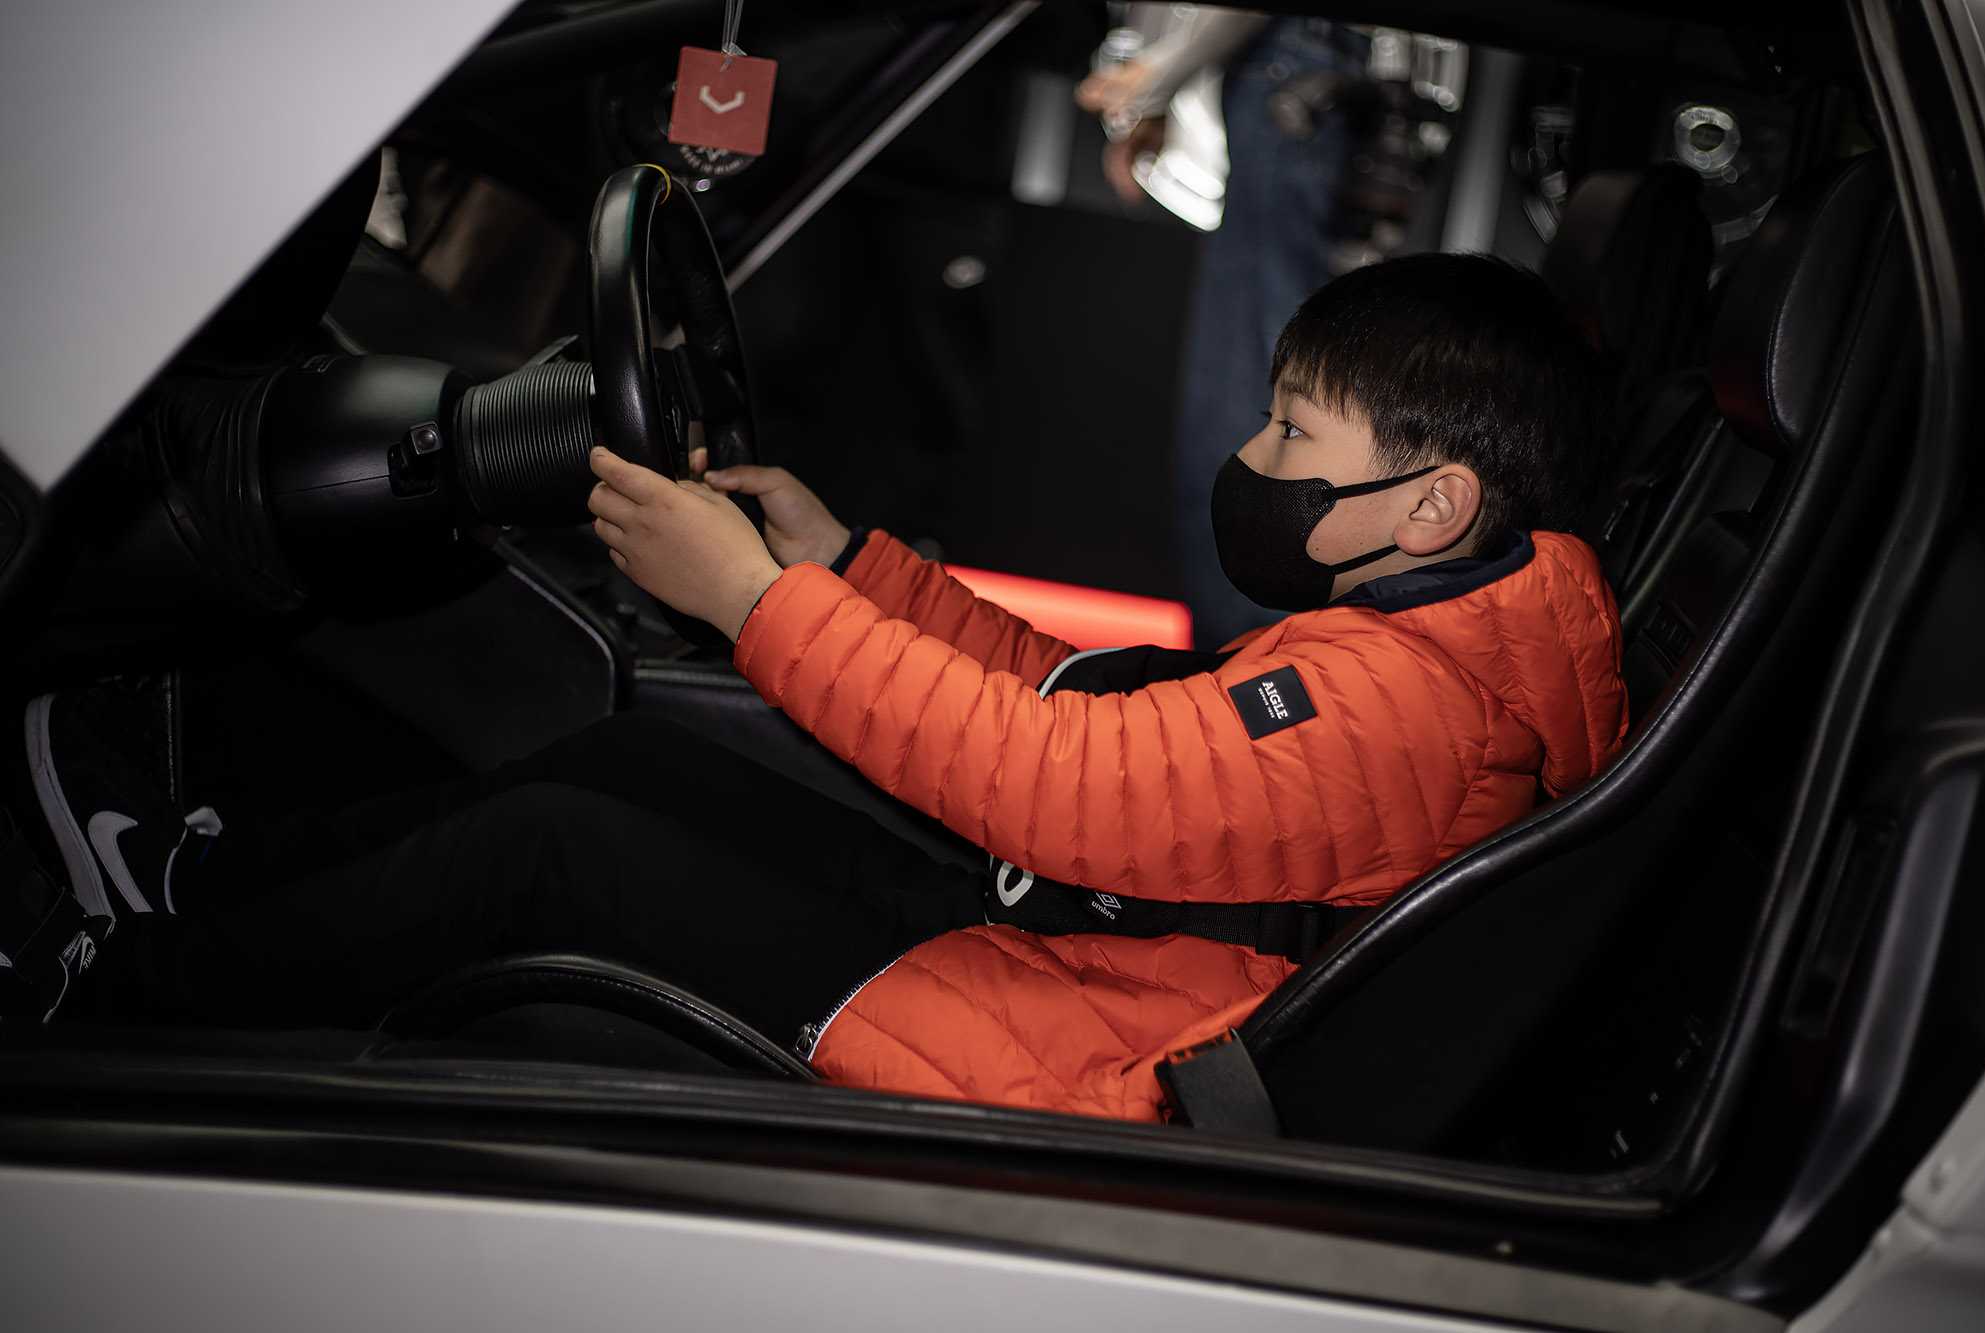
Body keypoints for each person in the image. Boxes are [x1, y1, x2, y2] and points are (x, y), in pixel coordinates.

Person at [30, 253, 1627, 1123]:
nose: (1253, 456)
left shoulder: (1408, 707)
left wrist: (752, 597)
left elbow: (1057, 786)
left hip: (1061, 1060)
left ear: (1435, 503)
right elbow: (1106, 713)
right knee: (635, 773)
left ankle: (100, 997)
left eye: (1293, 435)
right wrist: (851, 568)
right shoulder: (1422, 653)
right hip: (1070, 958)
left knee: (553, 852)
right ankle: (202, 886)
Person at [1077, 10, 1373, 649]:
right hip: (1286, 72)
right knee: (1257, 415)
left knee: (1242, 423)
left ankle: (1245, 665)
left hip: (1284, 70)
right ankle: (1246, 659)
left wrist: (1155, 78)